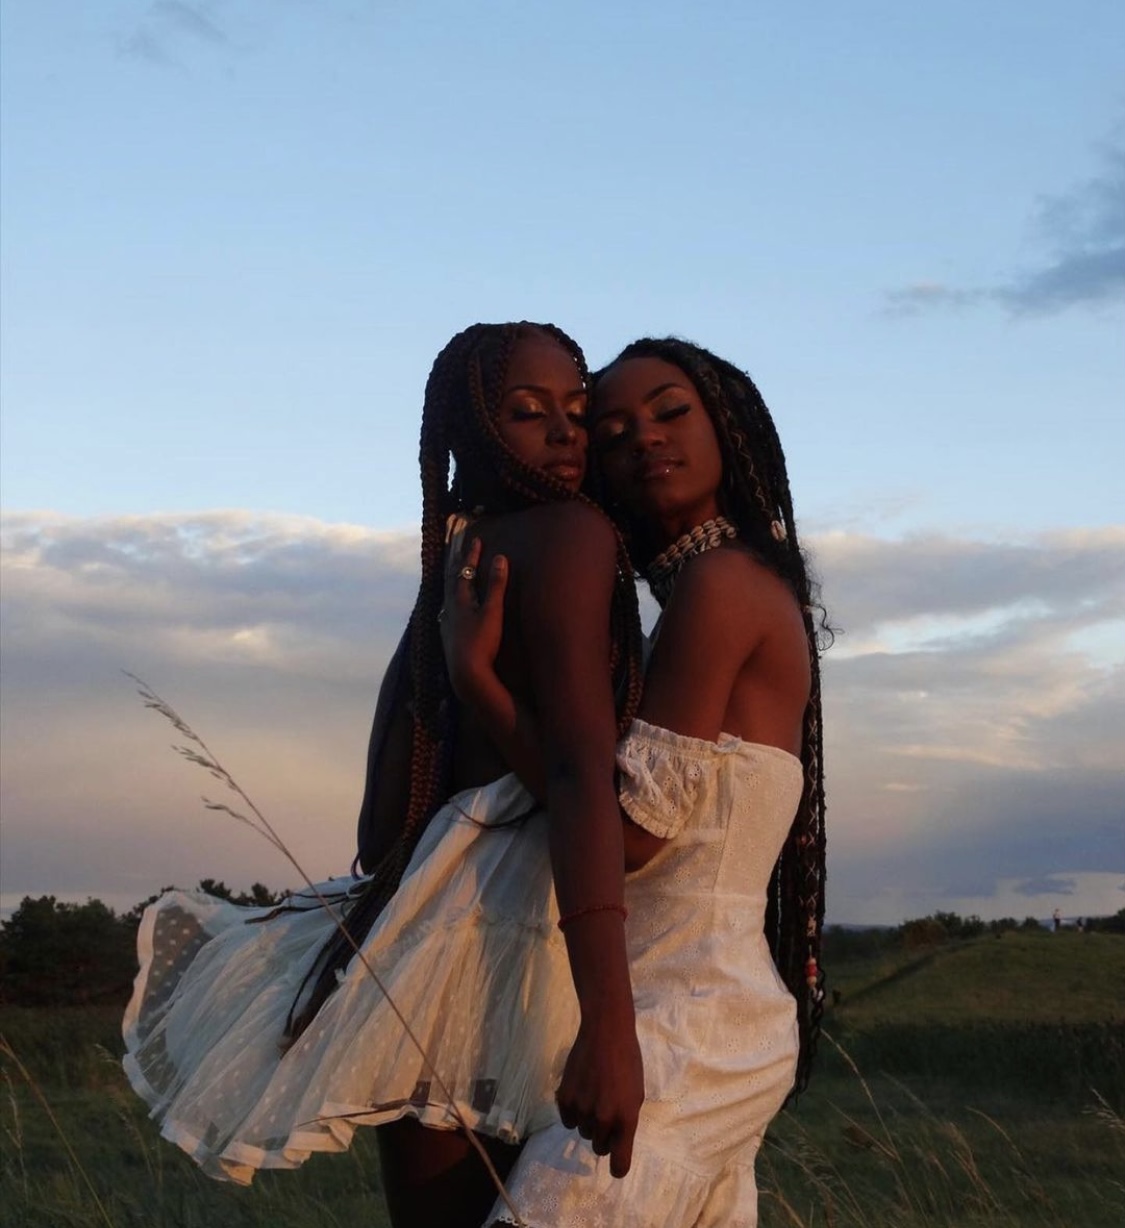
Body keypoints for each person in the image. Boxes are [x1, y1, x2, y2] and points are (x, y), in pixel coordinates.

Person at [122, 322, 648, 1228]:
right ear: (471, 430)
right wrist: (611, 1020)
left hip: (434, 922)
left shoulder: (464, 549)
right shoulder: (568, 532)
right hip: (518, 928)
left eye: (576, 409)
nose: (566, 432)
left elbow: (383, 816)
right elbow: (574, 771)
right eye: (528, 413)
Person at [444, 336, 827, 1227]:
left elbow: (628, 837)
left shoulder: (722, 588)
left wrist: (480, 686)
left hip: (686, 1023)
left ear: (726, 427)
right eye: (610, 433)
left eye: (669, 412)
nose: (642, 438)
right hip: (699, 1015)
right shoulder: (704, 598)